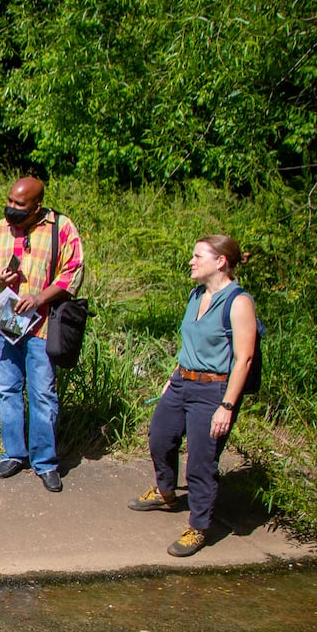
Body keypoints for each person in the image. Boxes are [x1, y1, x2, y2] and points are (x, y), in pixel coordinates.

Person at [128, 236, 258, 557]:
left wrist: (226, 405)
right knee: (160, 436)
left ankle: (199, 527)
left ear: (221, 261)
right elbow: (191, 343)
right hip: (182, 381)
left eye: (198, 256)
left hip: (214, 390)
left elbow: (244, 358)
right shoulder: (195, 294)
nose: (191, 261)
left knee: (201, 461)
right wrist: (174, 375)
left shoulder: (238, 302)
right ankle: (165, 492)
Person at [0, 176, 84, 493]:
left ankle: (45, 462)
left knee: (42, 394)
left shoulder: (61, 229)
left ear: (36, 206)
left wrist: (39, 298)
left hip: (42, 325)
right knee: (7, 390)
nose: (11, 208)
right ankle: (13, 453)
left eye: (19, 204)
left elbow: (72, 272)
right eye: (9, 201)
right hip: (3, 324)